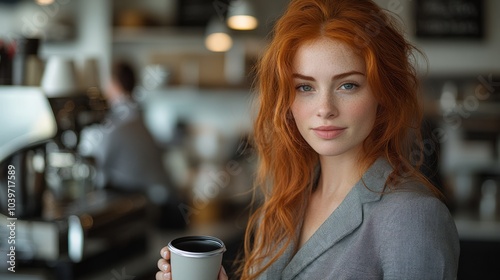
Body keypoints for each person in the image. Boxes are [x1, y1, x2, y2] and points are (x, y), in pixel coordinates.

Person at [155, 0, 460, 279]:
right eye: (305, 88)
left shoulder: (413, 218)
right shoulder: (283, 204)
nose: (325, 109)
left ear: (383, 93)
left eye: (348, 85)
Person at [80, 60, 185, 228]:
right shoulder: (137, 116)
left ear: (115, 84)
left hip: (151, 208)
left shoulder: (118, 122)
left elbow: (96, 162)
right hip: (164, 202)